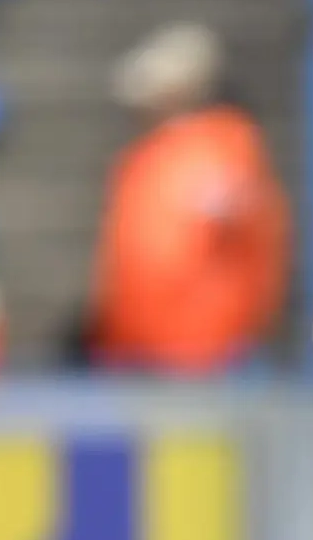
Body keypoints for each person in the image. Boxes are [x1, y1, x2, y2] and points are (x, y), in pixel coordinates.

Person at [74, 22, 291, 375]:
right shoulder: (148, 154)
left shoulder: (226, 145)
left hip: (204, 354)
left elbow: (246, 229)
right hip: (138, 351)